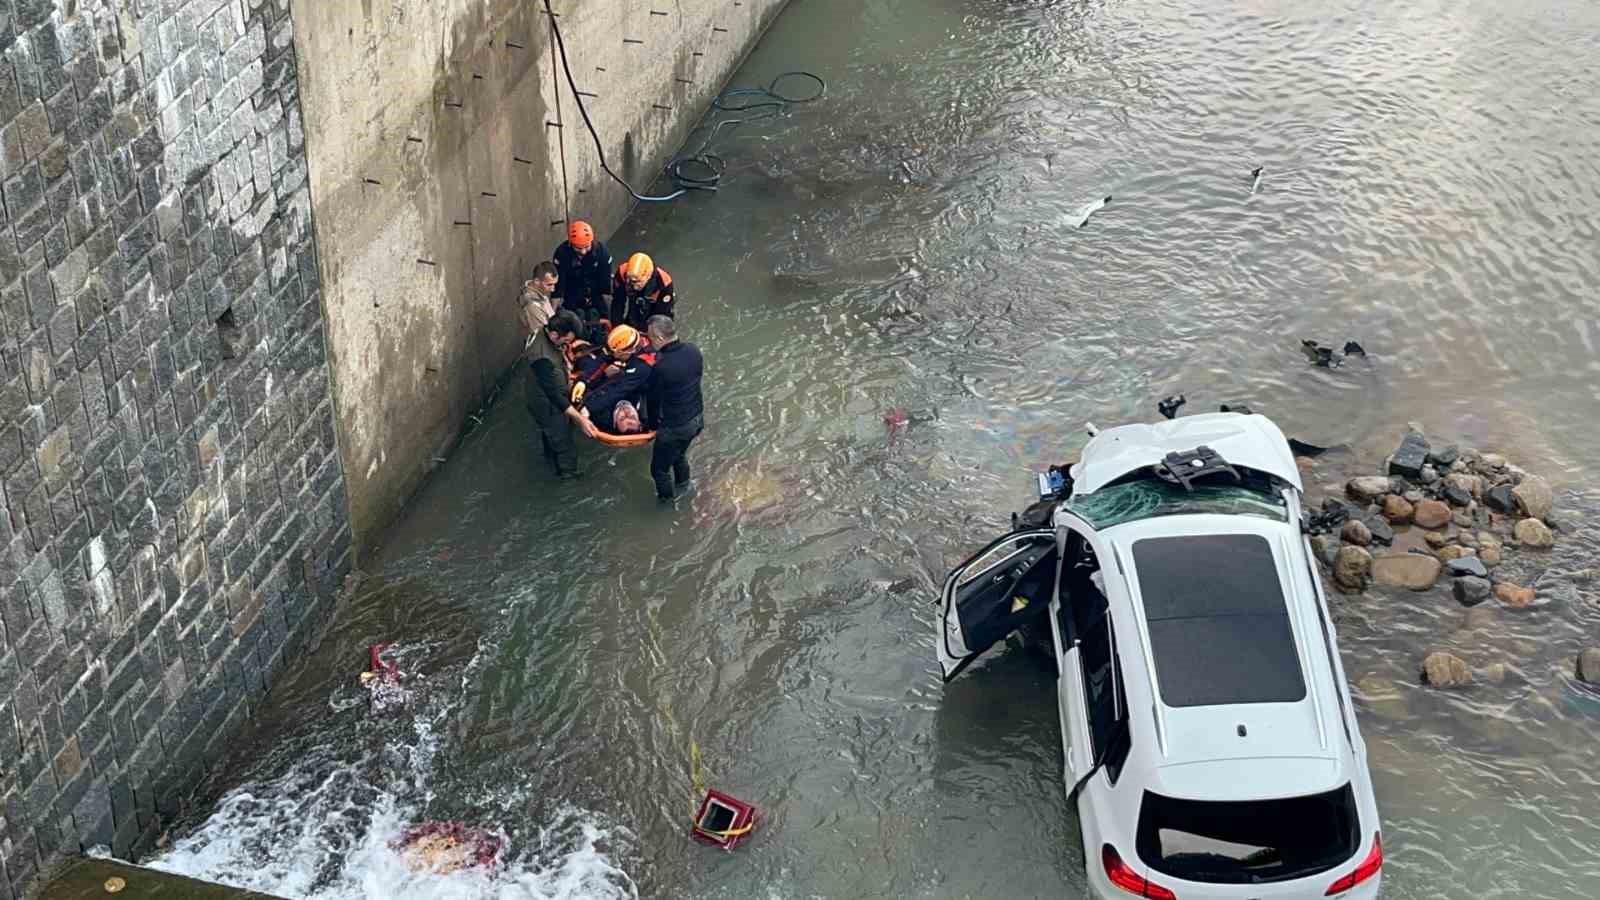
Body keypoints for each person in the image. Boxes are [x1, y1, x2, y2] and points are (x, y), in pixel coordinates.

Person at [523, 310, 590, 478]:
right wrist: (580, 419)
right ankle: (569, 477)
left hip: (544, 395)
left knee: (550, 435)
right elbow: (554, 396)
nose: (568, 344)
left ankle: (549, 458)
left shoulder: (542, 333)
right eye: (566, 340)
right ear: (554, 335)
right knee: (564, 444)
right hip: (548, 404)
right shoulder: (542, 358)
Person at [643, 315, 703, 500]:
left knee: (659, 470)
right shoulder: (694, 350)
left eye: (650, 338)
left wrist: (652, 425)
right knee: (679, 455)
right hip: (696, 418)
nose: (650, 342)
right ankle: (684, 486)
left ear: (659, 338)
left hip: (675, 427)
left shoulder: (661, 367)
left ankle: (666, 504)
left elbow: (652, 400)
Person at [577, 325, 657, 437]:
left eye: (623, 417)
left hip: (626, 378)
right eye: (632, 416)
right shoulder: (631, 340)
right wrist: (584, 380)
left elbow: (618, 390)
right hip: (630, 377)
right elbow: (607, 356)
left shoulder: (641, 367)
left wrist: (588, 407)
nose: (626, 412)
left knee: (584, 361)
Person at [552, 221, 613, 339]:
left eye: (586, 247)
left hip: (596, 291)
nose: (583, 252)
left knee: (601, 317)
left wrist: (609, 315)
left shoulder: (602, 253)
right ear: (571, 244)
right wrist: (553, 315)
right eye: (578, 248)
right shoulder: (562, 254)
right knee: (574, 321)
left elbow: (606, 287)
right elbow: (558, 289)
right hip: (573, 291)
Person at [610, 253, 675, 331]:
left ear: (648, 276)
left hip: (655, 309)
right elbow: (618, 302)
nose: (634, 285)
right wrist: (617, 326)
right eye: (630, 280)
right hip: (635, 303)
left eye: (637, 282)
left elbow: (662, 315)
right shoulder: (622, 272)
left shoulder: (664, 283)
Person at [516, 263, 560, 349]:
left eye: (554, 284)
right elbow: (545, 331)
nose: (553, 289)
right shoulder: (532, 305)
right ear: (536, 281)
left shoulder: (538, 290)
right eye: (549, 284)